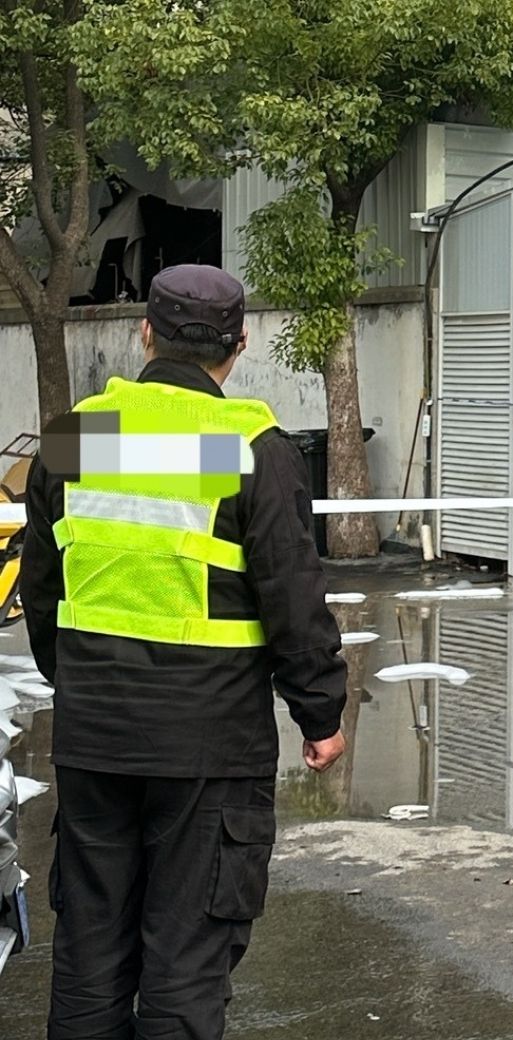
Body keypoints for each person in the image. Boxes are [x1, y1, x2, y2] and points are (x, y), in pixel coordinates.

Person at [22, 265, 349, 1040]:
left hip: (95, 737)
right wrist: (320, 712)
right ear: (238, 346)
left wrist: (78, 682)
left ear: (145, 334)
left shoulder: (78, 439)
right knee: (184, 966)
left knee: (90, 961)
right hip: (210, 747)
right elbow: (291, 596)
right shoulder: (248, 447)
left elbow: (42, 589)